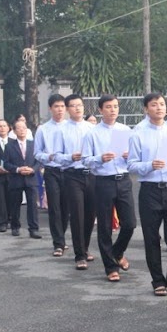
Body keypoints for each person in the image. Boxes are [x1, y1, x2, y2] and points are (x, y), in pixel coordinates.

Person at [128, 93, 167, 297]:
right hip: (150, 190)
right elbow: (131, 165)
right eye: (154, 105)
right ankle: (158, 281)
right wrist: (150, 165)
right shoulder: (138, 134)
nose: (159, 108)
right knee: (151, 237)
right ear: (146, 109)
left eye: (162, 104)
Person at [82, 95, 137, 282]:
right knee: (105, 226)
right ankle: (111, 267)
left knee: (129, 223)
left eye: (115, 106)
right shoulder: (92, 133)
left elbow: (136, 156)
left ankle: (117, 252)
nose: (113, 110)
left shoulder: (126, 130)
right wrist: (100, 158)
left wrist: (130, 156)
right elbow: (85, 160)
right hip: (103, 181)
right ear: (100, 110)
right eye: (108, 107)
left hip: (124, 180)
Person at [58, 94, 96, 269]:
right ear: (68, 109)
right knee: (77, 214)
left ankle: (85, 247)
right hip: (72, 174)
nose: (77, 108)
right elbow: (56, 155)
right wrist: (70, 157)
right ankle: (79, 255)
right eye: (73, 106)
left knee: (90, 214)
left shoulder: (92, 128)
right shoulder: (62, 130)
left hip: (92, 174)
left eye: (80, 105)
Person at [35, 94, 70, 256]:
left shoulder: (71, 127)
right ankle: (58, 243)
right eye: (56, 106)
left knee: (66, 207)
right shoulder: (43, 129)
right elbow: (37, 153)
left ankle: (61, 236)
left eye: (62, 106)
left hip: (69, 171)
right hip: (52, 171)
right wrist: (48, 156)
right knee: (54, 207)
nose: (60, 110)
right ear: (50, 108)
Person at [4, 119, 42, 238]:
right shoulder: (9, 146)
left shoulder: (33, 144)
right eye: (19, 128)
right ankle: (15, 226)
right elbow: (6, 163)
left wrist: (33, 169)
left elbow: (39, 160)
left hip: (31, 178)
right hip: (16, 179)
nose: (22, 130)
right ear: (14, 131)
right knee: (15, 204)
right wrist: (18, 169)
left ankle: (34, 229)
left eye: (24, 128)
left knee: (32, 205)